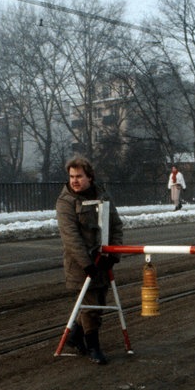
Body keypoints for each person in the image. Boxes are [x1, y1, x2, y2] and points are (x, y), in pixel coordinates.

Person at [56, 156, 123, 365]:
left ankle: (75, 335)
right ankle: (93, 346)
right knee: (92, 306)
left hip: (102, 259)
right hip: (80, 263)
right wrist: (86, 264)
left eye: (79, 176)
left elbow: (116, 225)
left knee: (99, 301)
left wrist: (113, 254)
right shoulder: (65, 202)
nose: (75, 181)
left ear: (90, 177)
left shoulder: (103, 196)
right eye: (71, 176)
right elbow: (71, 238)